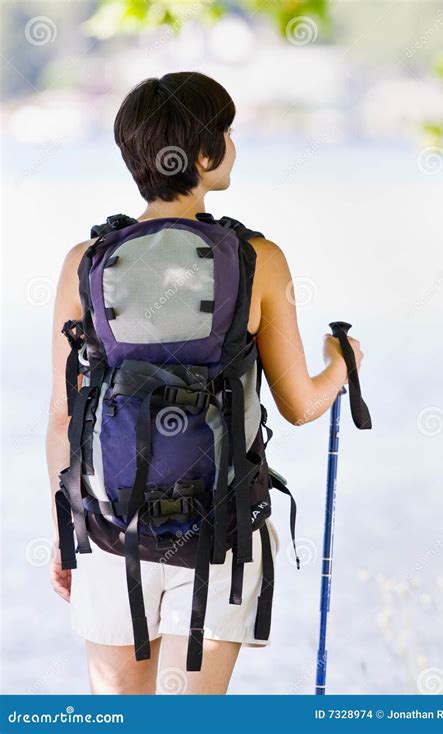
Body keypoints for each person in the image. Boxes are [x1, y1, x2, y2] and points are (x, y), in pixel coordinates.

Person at [46, 72, 364, 695]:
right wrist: (344, 361)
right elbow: (301, 405)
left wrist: (65, 534)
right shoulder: (256, 259)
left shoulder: (85, 263)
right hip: (222, 534)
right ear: (205, 153)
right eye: (226, 131)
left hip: (113, 532)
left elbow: (63, 418)